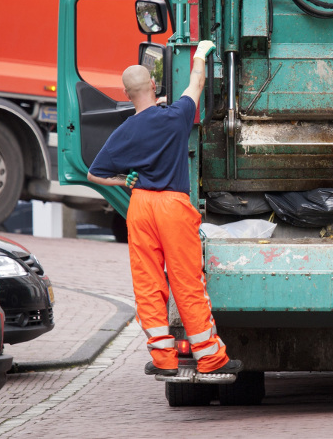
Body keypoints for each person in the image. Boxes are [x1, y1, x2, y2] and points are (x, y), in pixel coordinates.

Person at [87, 41, 242, 376]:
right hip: (172, 205)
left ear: (128, 94)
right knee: (186, 280)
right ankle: (210, 358)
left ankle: (163, 360)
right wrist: (200, 53)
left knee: (148, 282)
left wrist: (125, 182)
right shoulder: (176, 115)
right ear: (154, 87)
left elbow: (94, 174)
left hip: (141, 207)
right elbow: (196, 83)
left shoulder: (124, 131)